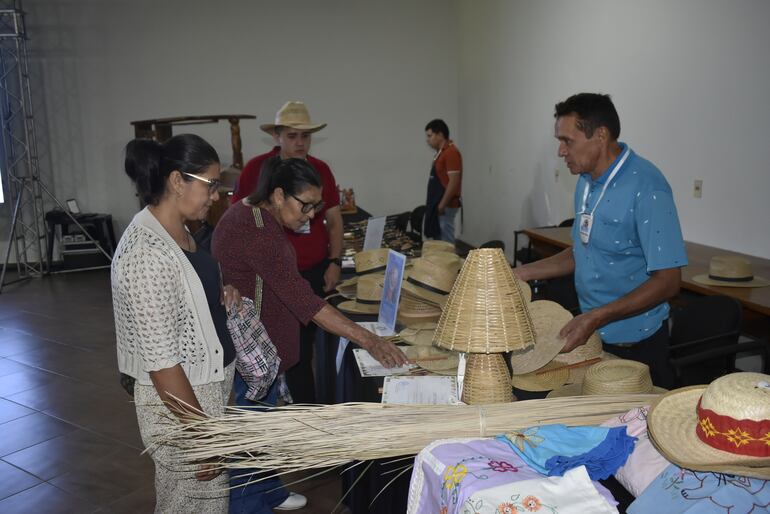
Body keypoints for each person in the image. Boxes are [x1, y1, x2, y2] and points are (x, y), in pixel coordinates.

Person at [212, 156, 407, 513]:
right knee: (251, 440)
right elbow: (305, 301)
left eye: (317, 206)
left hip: (263, 349)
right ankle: (248, 505)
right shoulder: (257, 231)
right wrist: (369, 340)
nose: (312, 215)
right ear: (279, 194)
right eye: (306, 205)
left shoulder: (256, 214)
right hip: (251, 355)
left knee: (265, 426)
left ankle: (269, 492)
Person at [513, 93, 687, 388]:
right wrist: (519, 274)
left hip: (638, 347)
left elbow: (669, 281)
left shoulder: (647, 187)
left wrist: (596, 316)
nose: (560, 151)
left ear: (600, 135)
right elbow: (581, 251)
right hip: (594, 337)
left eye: (568, 141)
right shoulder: (586, 182)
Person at [112, 134, 241, 513]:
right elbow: (163, 364)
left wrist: (221, 290)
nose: (215, 195)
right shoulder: (145, 254)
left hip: (204, 393)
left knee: (202, 504)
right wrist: (204, 439)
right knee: (192, 505)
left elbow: (187, 291)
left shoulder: (181, 230)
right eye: (211, 185)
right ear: (176, 181)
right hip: (182, 408)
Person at [232, 101, 342, 404]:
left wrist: (334, 261)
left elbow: (334, 221)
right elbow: (238, 222)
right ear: (277, 136)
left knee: (302, 349)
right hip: (265, 278)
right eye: (292, 136)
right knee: (264, 346)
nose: (300, 142)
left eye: (305, 136)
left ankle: (304, 410)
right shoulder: (257, 169)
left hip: (311, 269)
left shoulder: (321, 170)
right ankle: (262, 411)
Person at [424, 119, 463, 243]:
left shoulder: (451, 153)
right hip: (439, 204)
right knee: (439, 240)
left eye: (430, 136)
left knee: (446, 242)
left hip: (446, 206)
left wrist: (441, 205)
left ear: (440, 135)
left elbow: (453, 183)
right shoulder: (440, 153)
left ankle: (449, 262)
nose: (427, 140)